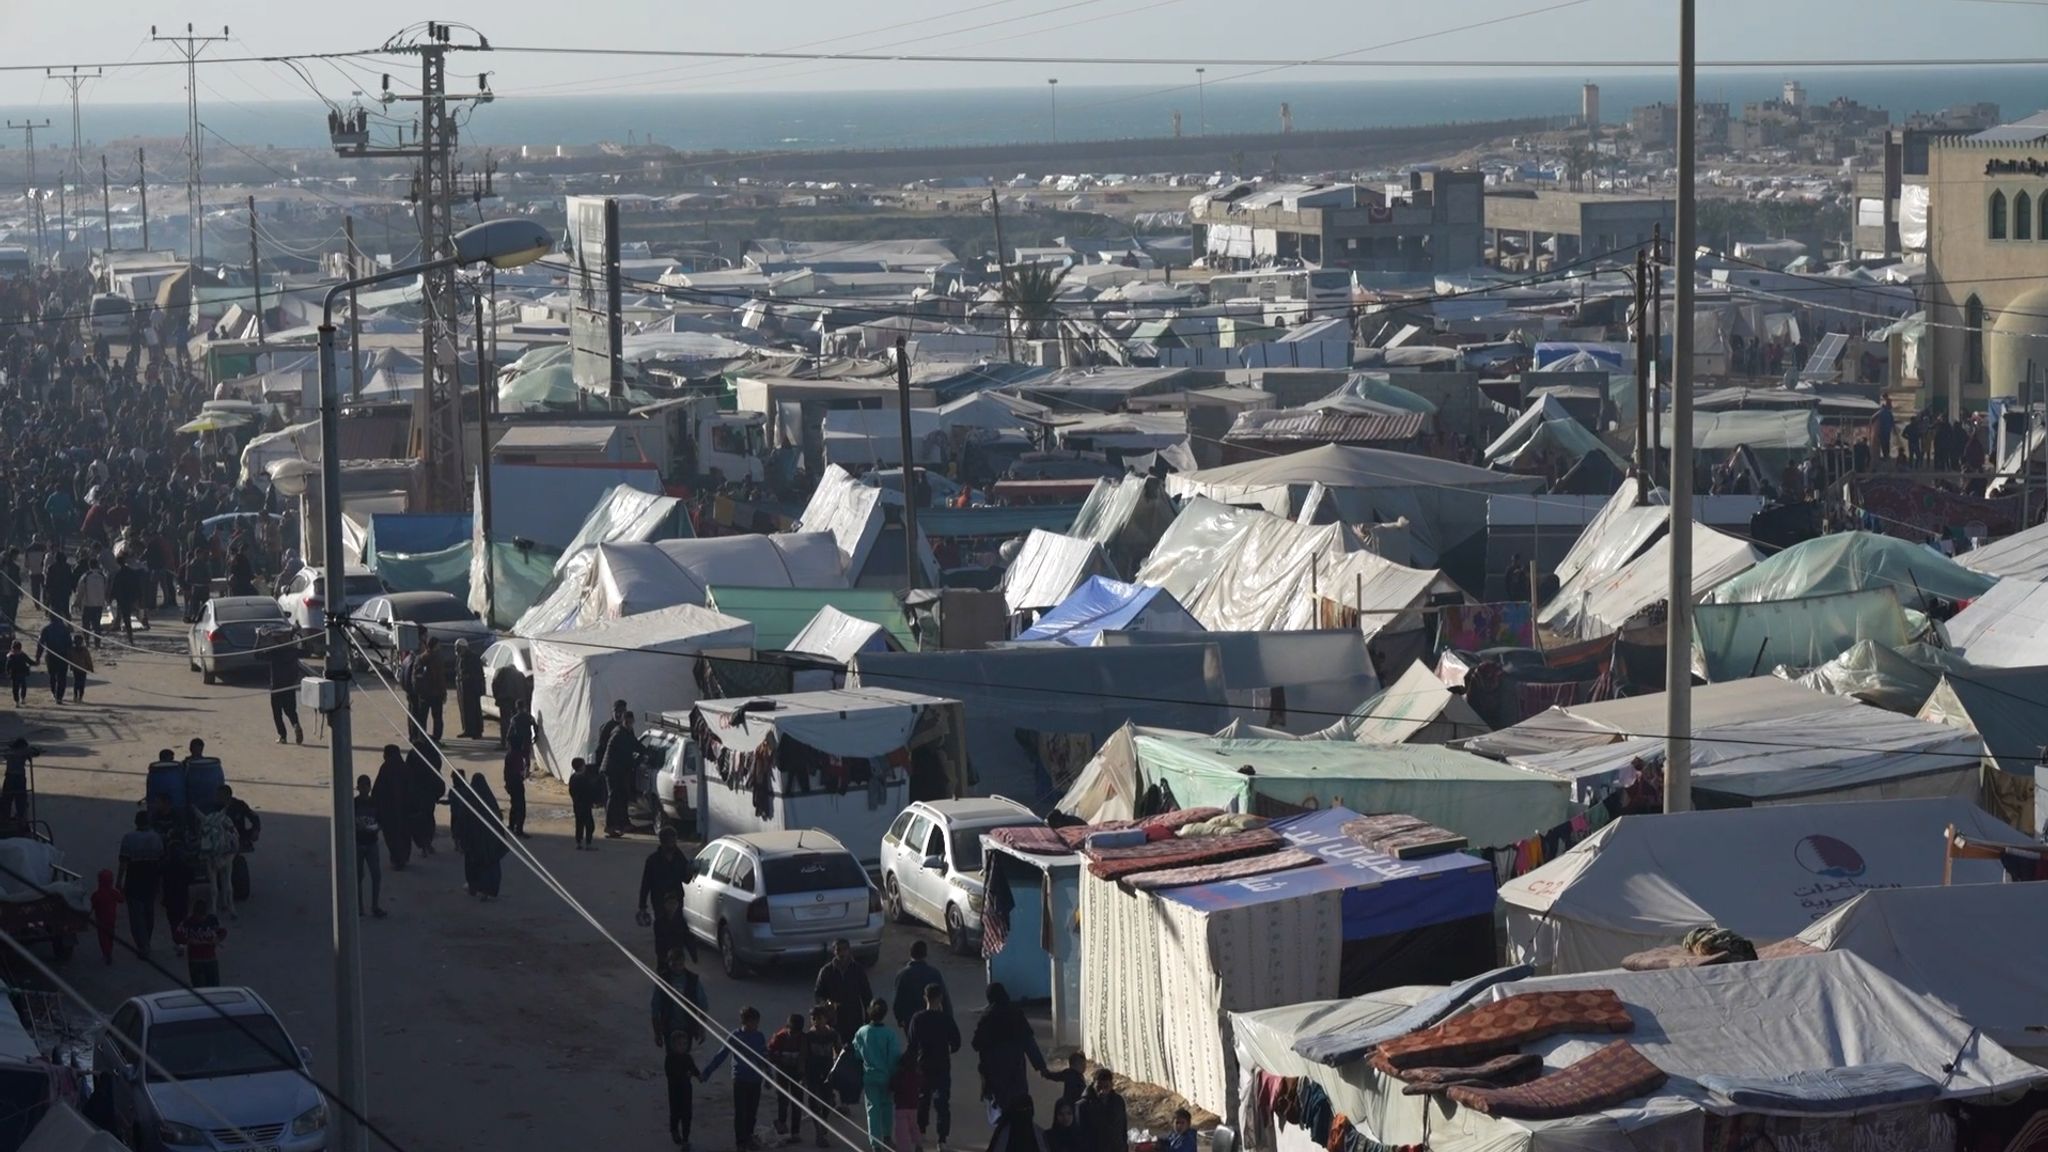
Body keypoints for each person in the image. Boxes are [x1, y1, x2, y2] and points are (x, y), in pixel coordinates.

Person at [975, 983, 1047, 1125]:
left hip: (994, 1069)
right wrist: (1040, 1066)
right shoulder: (1015, 1013)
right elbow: (1028, 1042)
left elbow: (976, 1044)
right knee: (1019, 1101)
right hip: (1016, 1066)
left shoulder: (987, 1016)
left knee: (999, 1105)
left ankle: (1003, 1135)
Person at [700, 1006, 769, 1151]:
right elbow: (721, 1055)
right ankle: (740, 1142)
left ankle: (749, 1137)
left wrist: (768, 1075)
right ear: (745, 1022)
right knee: (741, 1112)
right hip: (740, 1079)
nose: (756, 1025)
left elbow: (764, 1057)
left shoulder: (759, 1036)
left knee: (752, 1112)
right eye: (754, 1022)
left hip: (756, 1080)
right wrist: (707, 1072)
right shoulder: (736, 1036)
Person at [907, 982, 961, 1152]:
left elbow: (912, 1043)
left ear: (925, 998)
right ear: (940, 998)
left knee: (923, 1099)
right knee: (942, 1102)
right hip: (942, 1064)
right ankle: (942, 1140)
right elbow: (956, 1042)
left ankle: (921, 1132)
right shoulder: (946, 1019)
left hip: (923, 1065)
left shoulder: (918, 1018)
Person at [851, 999, 903, 1152]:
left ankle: (875, 1145)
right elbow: (894, 1057)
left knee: (872, 1110)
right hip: (886, 1076)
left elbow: (856, 1054)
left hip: (869, 1076)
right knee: (887, 1107)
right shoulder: (889, 1034)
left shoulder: (862, 1031)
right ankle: (887, 1137)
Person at [639, 825, 696, 949]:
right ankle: (663, 963)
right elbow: (646, 884)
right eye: (670, 842)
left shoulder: (679, 857)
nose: (673, 845)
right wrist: (642, 906)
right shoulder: (653, 861)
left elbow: (685, 879)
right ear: (663, 843)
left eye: (674, 841)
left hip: (676, 901)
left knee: (677, 934)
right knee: (662, 933)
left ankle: (677, 961)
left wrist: (691, 871)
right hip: (660, 902)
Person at [116, 812, 164, 954]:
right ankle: (146, 941)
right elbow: (161, 861)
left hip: (134, 879)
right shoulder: (156, 837)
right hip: (151, 879)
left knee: (136, 915)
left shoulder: (128, 838)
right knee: (149, 912)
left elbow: (123, 863)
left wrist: (119, 881)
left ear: (136, 822)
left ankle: (142, 944)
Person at [815, 939, 875, 1047]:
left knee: (855, 1046)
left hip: (854, 1015)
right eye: (838, 950)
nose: (841, 953)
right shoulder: (826, 971)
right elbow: (818, 994)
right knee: (836, 1048)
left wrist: (869, 1015)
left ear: (849, 950)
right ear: (834, 951)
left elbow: (866, 994)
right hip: (834, 1018)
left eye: (844, 949)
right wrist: (827, 1004)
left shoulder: (857, 969)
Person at [459, 771, 508, 900]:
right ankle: (488, 890)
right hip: (490, 841)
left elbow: (463, 820)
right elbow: (498, 818)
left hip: (474, 841)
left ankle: (474, 887)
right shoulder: (489, 800)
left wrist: (462, 839)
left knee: (473, 864)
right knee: (490, 865)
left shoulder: (470, 799)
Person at [800, 1003, 842, 1148]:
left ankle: (823, 1121)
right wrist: (803, 1075)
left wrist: (838, 1068)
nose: (817, 1022)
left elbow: (839, 1052)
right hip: (812, 1073)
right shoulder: (808, 1036)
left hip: (827, 1072)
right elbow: (803, 1056)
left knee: (828, 1101)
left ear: (826, 1018)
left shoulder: (833, 1034)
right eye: (814, 1019)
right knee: (814, 1103)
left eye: (819, 1018)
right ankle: (818, 1133)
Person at [600, 710, 643, 837]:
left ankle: (623, 823)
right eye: (627, 722)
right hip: (612, 770)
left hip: (619, 770)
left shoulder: (626, 732)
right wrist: (638, 760)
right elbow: (626, 754)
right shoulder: (619, 733)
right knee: (613, 797)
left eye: (631, 722)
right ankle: (610, 826)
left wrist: (647, 752)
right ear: (623, 722)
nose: (630, 724)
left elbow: (635, 745)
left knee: (622, 797)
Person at [893, 939, 952, 1030]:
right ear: (925, 954)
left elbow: (898, 1000)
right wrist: (948, 1017)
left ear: (910, 953)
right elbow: (944, 997)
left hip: (910, 1020)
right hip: (933, 1019)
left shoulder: (902, 975)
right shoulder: (934, 973)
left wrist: (900, 1018)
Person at [217, 785, 261, 905]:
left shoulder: (239, 805)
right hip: (219, 840)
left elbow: (254, 817)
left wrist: (255, 830)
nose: (217, 798)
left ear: (228, 796)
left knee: (237, 863)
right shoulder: (215, 807)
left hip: (237, 838)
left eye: (220, 796)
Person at [371, 744, 413, 870]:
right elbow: (411, 788)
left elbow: (378, 790)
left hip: (388, 810)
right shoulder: (405, 767)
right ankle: (403, 857)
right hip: (404, 809)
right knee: (404, 834)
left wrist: (374, 807)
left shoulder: (386, 768)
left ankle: (397, 858)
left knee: (392, 835)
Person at [768, 1013, 807, 1142]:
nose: (794, 1034)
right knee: (782, 1099)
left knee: (797, 1102)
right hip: (782, 1071)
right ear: (787, 1027)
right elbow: (770, 1053)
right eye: (792, 1031)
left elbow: (806, 1058)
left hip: (797, 1072)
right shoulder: (780, 1037)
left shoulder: (803, 1039)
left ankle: (795, 1132)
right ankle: (782, 1124)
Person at [353, 775, 387, 918]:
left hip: (371, 842)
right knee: (358, 877)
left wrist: (375, 828)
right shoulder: (354, 803)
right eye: (362, 786)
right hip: (358, 843)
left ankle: (375, 905)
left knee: (376, 875)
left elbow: (381, 821)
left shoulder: (375, 803)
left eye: (366, 786)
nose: (364, 789)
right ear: (358, 787)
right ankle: (360, 907)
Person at [404, 738, 445, 856]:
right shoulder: (432, 754)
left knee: (419, 820)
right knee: (428, 818)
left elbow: (407, 771)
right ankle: (427, 843)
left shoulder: (413, 755)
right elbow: (437, 771)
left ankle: (423, 844)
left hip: (417, 794)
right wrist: (438, 793)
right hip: (429, 794)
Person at [174, 895, 226, 987]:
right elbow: (177, 936)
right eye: (199, 916)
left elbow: (223, 931)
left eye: (203, 916)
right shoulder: (187, 922)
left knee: (214, 987)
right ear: (194, 913)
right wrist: (189, 941)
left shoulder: (212, 920)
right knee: (200, 988)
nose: (201, 919)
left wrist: (217, 939)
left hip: (211, 959)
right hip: (195, 961)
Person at [199, 801, 238, 920]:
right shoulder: (207, 841)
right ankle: (214, 909)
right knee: (214, 884)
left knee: (227, 880)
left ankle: (230, 905)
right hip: (212, 854)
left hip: (225, 853)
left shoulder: (227, 838)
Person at [265, 631, 304, 744]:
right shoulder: (292, 651)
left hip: (276, 686)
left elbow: (257, 655)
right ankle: (295, 724)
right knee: (291, 710)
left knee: (277, 713)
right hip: (290, 685)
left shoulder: (274, 652)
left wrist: (260, 638)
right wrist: (301, 639)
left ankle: (283, 736)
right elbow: (307, 652)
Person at [1078, 1068, 1129, 1152]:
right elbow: (1080, 1135)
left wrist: (1124, 1147)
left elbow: (1123, 1127)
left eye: (1106, 1087)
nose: (1102, 1091)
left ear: (1111, 1085)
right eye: (1099, 1087)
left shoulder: (1118, 1102)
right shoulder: (1083, 1105)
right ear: (1093, 1084)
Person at [665, 1029, 700, 1151]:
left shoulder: (687, 1057)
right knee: (675, 1112)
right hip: (675, 1091)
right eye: (679, 1044)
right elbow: (670, 1073)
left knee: (687, 1115)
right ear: (673, 1045)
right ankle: (674, 1129)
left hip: (686, 1090)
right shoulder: (670, 1058)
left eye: (685, 1044)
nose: (683, 1046)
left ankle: (685, 1139)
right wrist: (685, 1074)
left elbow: (693, 1068)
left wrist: (699, 1075)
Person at [34, 615, 72, 704]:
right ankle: (59, 696)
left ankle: (54, 693)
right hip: (63, 656)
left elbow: (41, 645)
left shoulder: (46, 629)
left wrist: (38, 657)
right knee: (62, 677)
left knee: (52, 676)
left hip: (51, 656)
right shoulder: (65, 629)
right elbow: (70, 644)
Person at [416, 638, 447, 741]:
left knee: (424, 718)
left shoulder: (422, 658)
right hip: (434, 694)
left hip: (427, 694)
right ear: (434, 646)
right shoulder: (434, 658)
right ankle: (436, 738)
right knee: (437, 717)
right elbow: (440, 678)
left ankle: (422, 737)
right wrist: (443, 692)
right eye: (438, 645)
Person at [568, 756, 603, 849]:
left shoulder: (573, 777)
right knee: (590, 825)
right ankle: (588, 843)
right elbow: (589, 791)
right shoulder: (584, 778)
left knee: (579, 824)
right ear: (581, 767)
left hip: (577, 804)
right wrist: (595, 801)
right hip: (585, 805)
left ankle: (578, 842)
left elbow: (571, 790)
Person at [89, 869, 123, 965]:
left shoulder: (97, 894)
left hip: (101, 921)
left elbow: (91, 906)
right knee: (110, 936)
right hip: (111, 919)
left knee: (103, 938)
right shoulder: (113, 892)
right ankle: (109, 952)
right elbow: (121, 899)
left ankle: (106, 953)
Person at [456, 639, 486, 739]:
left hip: (473, 688)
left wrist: (467, 677)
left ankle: (477, 731)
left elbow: (477, 674)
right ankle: (468, 729)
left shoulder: (473, 658)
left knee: (475, 710)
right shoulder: (460, 657)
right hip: (463, 688)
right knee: (465, 710)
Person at [1, 738, 36, 822]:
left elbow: (5, 753)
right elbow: (35, 752)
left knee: (7, 798)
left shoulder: (9, 751)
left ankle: (5, 818)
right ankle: (21, 818)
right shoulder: (24, 751)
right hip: (19, 777)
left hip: (10, 777)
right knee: (20, 799)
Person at [75, 557, 107, 649]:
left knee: (86, 625)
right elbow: (106, 589)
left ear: (89, 566)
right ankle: (97, 643)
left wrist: (77, 602)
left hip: (88, 604)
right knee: (97, 625)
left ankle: (87, 642)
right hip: (99, 604)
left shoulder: (85, 576)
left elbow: (80, 591)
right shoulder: (103, 576)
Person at [5, 641, 28, 706]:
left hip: (22, 674)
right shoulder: (10, 656)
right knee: (15, 689)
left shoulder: (23, 655)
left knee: (24, 687)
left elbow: (29, 661)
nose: (16, 651)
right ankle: (17, 701)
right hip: (14, 675)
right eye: (14, 649)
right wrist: (7, 673)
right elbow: (7, 666)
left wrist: (35, 663)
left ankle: (23, 698)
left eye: (17, 650)